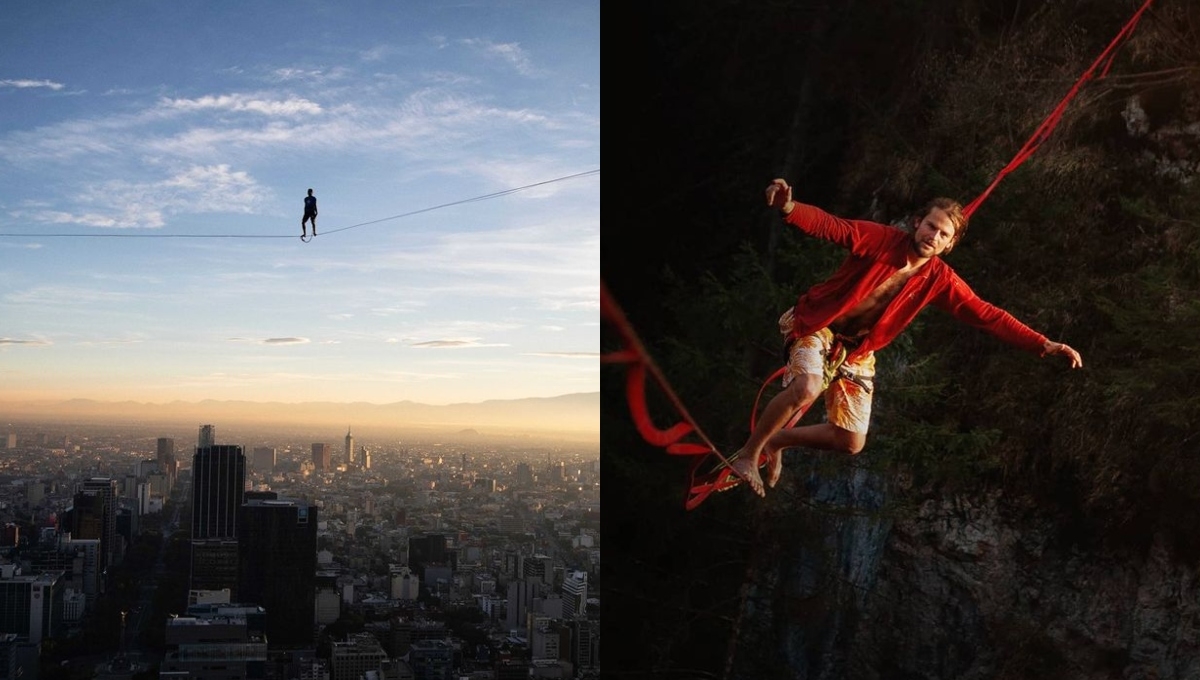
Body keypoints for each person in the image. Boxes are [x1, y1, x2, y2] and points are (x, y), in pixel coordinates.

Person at [729, 178, 1083, 497]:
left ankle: (776, 440)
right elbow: (834, 227)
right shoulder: (881, 240)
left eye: (944, 235)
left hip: (855, 351)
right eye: (931, 226)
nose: (934, 236)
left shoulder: (940, 280)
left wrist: (1042, 343)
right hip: (818, 325)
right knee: (807, 387)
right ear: (917, 223)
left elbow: (985, 314)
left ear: (949, 245)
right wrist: (790, 209)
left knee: (851, 441)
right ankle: (748, 454)